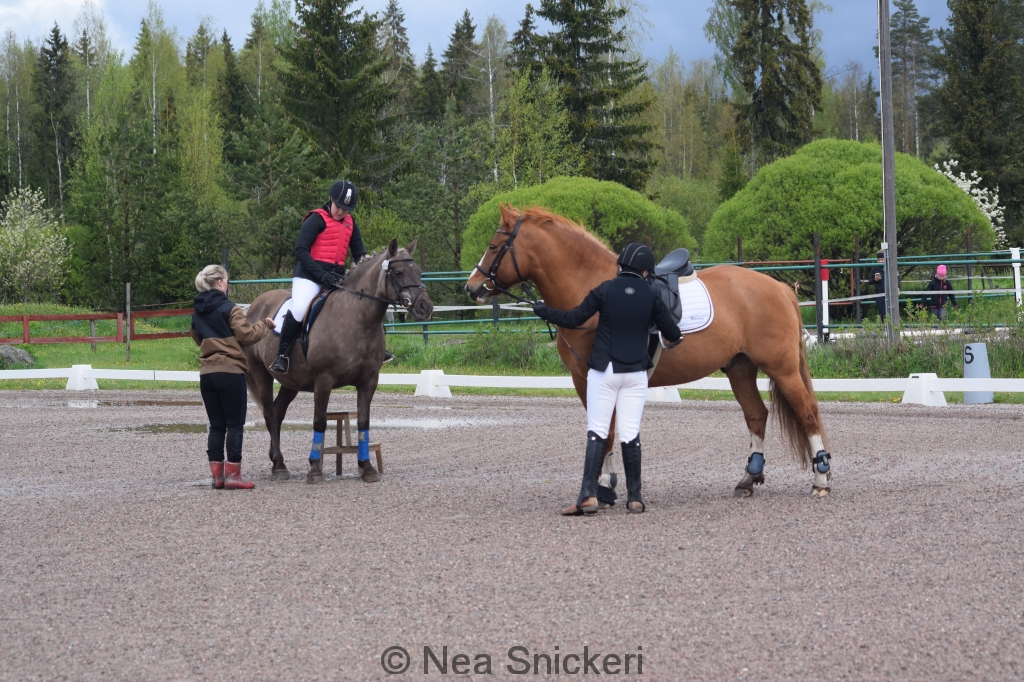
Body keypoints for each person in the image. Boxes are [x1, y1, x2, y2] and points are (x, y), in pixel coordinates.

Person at [533, 243, 682, 516]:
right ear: (646, 270)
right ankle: (635, 498)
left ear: (620, 265)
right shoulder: (651, 294)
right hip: (636, 374)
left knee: (598, 431)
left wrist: (544, 310)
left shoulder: (604, 290)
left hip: (605, 371)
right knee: (630, 433)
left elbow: (573, 318)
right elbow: (673, 332)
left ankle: (587, 497)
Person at [270, 179, 391, 373]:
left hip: (337, 278)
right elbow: (300, 250)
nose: (341, 211)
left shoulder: (351, 224)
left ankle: (375, 349)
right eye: (338, 206)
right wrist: (322, 275)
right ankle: (281, 355)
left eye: (346, 208)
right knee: (299, 309)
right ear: (331, 199)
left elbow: (360, 255)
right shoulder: (316, 218)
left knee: (364, 303)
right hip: (309, 276)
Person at [191, 265, 275, 490]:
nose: (227, 284)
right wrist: (266, 324)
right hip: (230, 372)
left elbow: (197, 338)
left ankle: (218, 477)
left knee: (217, 426)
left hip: (207, 374)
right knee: (235, 425)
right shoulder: (231, 309)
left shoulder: (197, 312)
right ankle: (233, 476)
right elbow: (247, 335)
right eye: (226, 280)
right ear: (219, 282)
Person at [870, 250, 887, 320]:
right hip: (879, 293)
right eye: (878, 260)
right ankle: (883, 325)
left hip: (890, 292)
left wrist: (898, 288)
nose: (880, 261)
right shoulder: (875, 268)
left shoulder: (890, 267)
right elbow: (870, 281)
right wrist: (875, 279)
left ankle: (891, 325)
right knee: (882, 312)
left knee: (891, 311)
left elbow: (897, 278)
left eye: (882, 259)